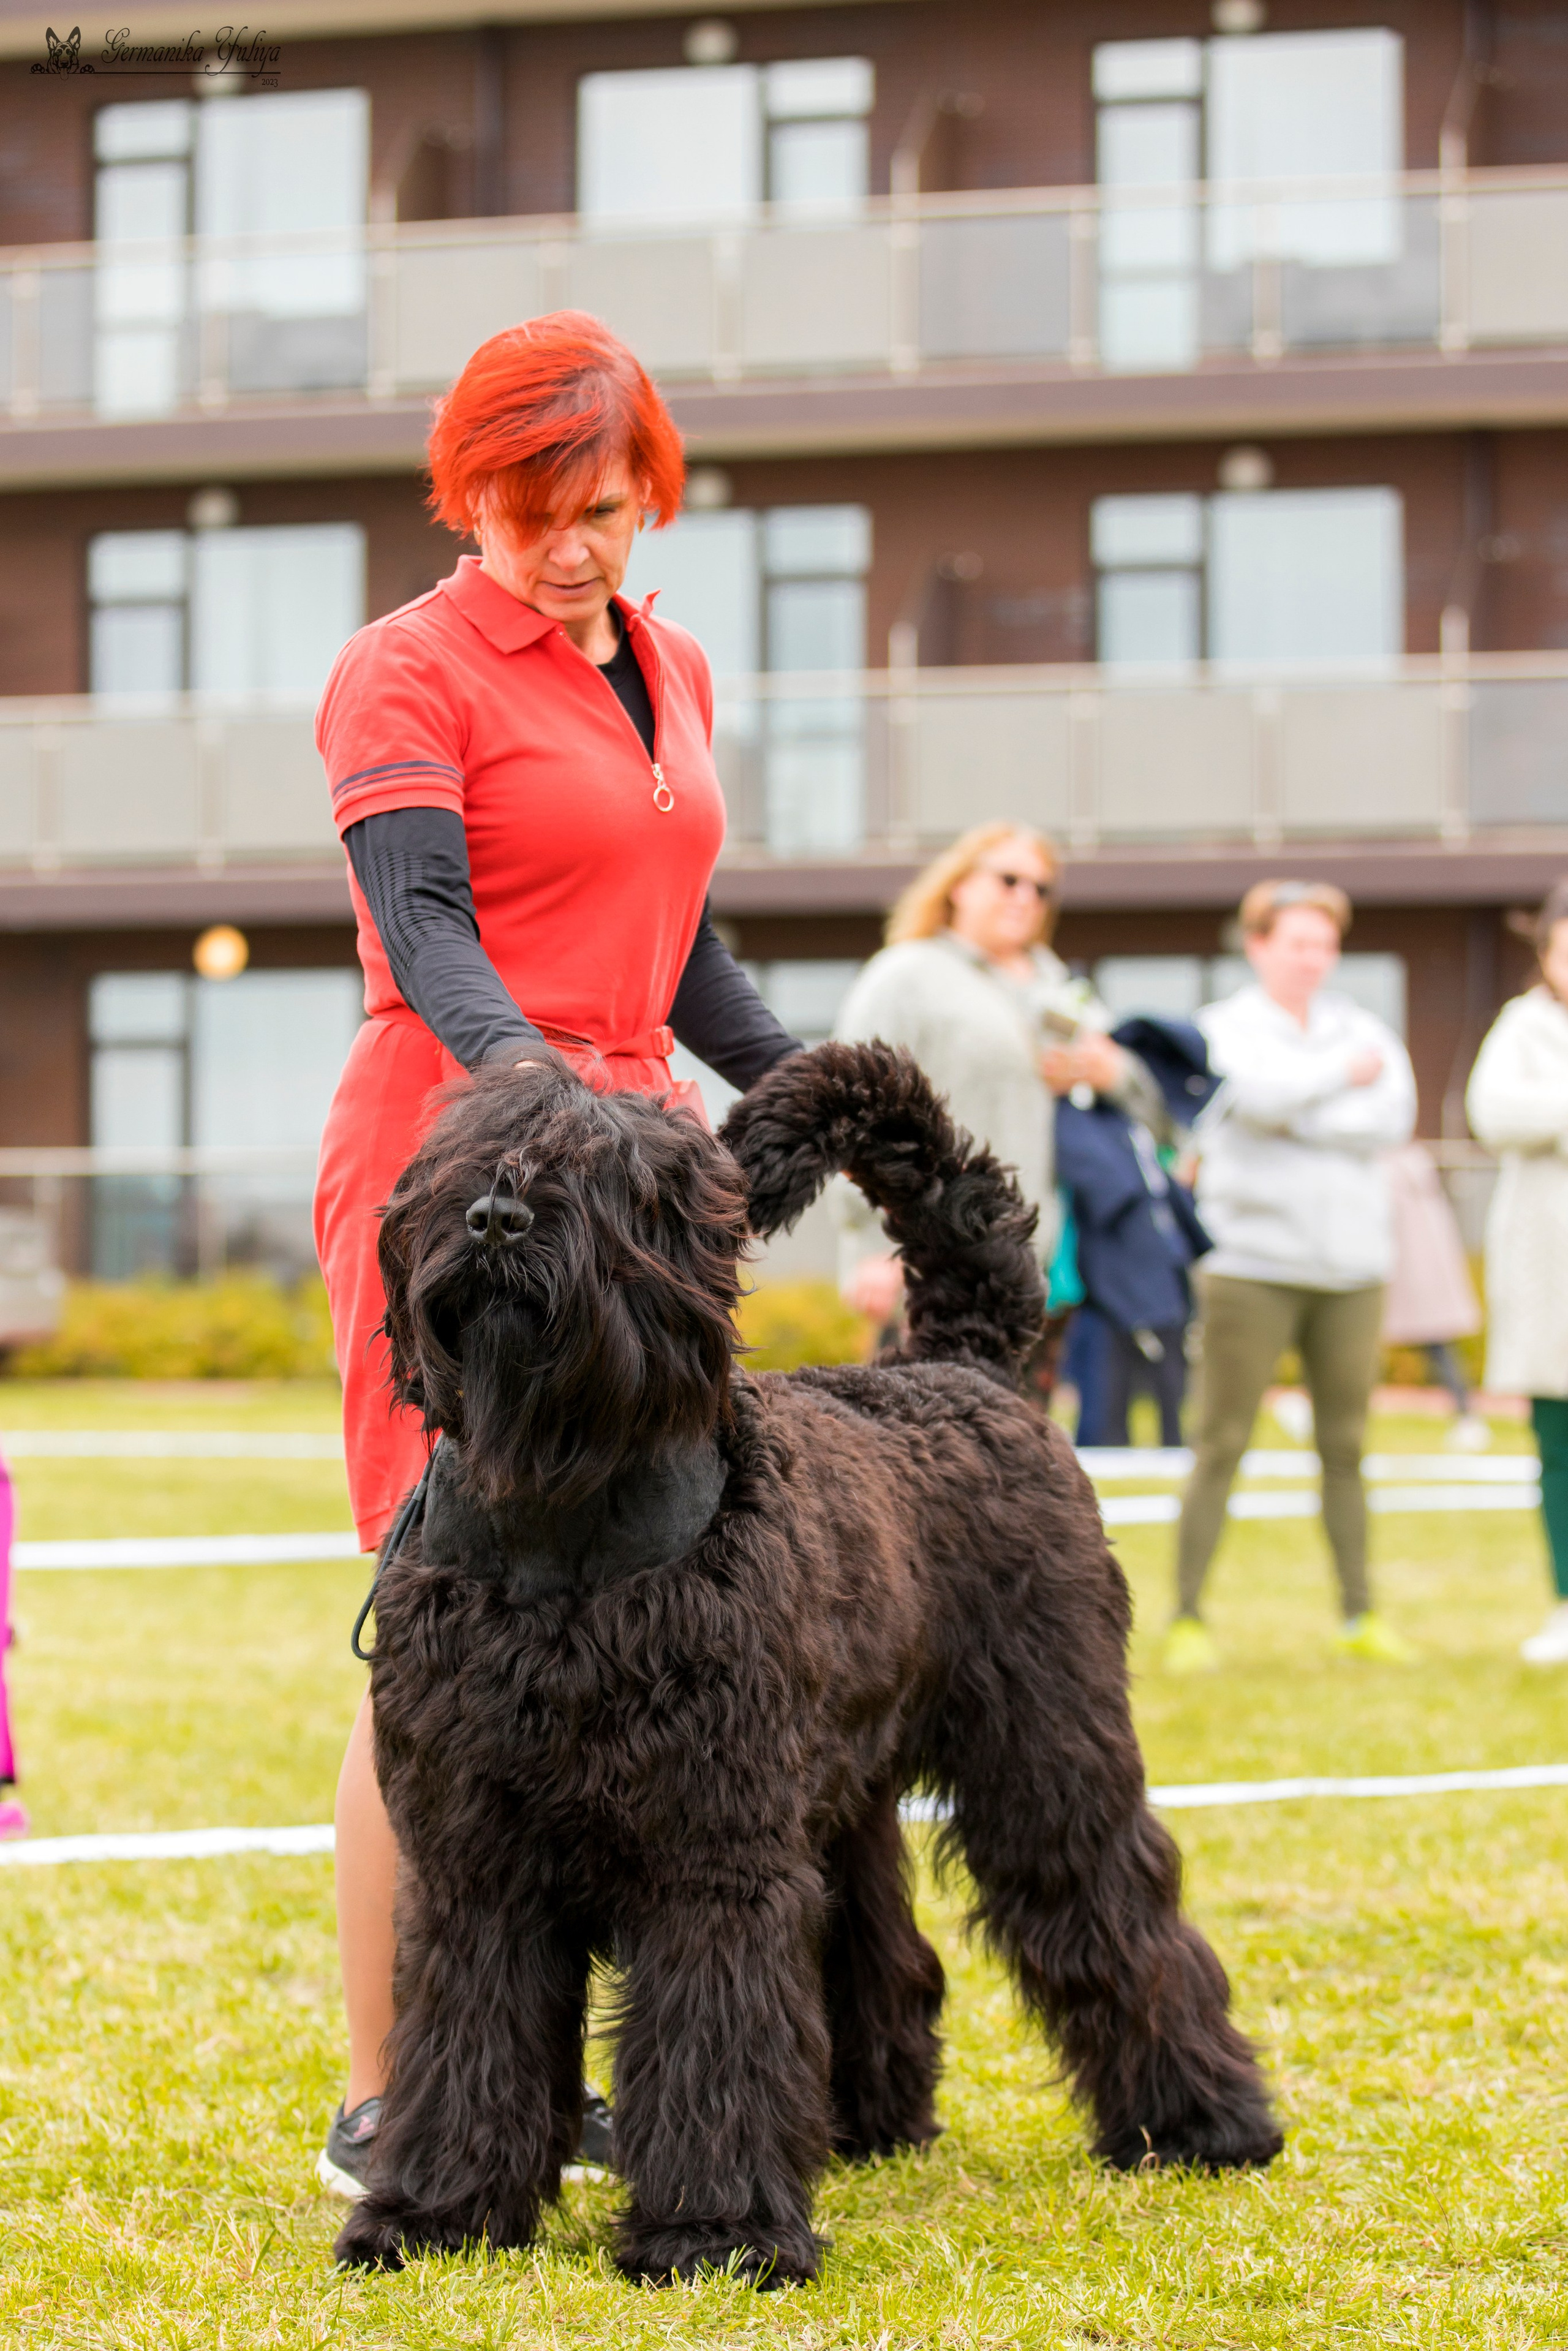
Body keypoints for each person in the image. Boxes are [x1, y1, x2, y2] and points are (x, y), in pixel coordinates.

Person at [311, 312, 801, 2197]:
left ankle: (561, 2082)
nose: (571, 546)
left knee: (649, 1603)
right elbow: (424, 920)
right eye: (530, 513)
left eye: (601, 506)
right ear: (469, 495)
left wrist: (810, 1086)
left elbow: (675, 945)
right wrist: (546, 1110)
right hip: (459, 1168)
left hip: (639, 1200)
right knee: (428, 1623)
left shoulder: (664, 661)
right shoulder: (403, 668)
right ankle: (396, 2097)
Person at [1164, 880, 1417, 1674]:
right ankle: (1188, 1615)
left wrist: (1301, 1105)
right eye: (1296, 941)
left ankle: (1359, 1611)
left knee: (1346, 1444)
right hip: (1251, 1268)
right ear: (1259, 944)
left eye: (1324, 942)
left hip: (1352, 1269)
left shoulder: (1364, 1027)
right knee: (1222, 1441)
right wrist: (1341, 1079)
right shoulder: (1224, 1028)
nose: (1313, 956)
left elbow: (1392, 1117)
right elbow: (1251, 1095)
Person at [828, 822, 1162, 1398]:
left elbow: (1148, 1100)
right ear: (958, 885)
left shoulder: (1060, 987)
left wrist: (1111, 1072)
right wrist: (866, 1247)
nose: (1025, 897)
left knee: (1021, 1455)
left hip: (1042, 1264)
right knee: (916, 1450)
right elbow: (852, 1107)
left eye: (1041, 888)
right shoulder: (907, 974)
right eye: (1008, 879)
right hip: (932, 1259)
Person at [1466, 878, 1568, 1664]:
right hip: (1551, 1274)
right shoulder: (1523, 1028)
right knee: (1559, 1443)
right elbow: (1494, 1111)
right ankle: (1565, 1600)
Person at [1381, 1141, 1487, 1449]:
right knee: (1438, 1347)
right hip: (1421, 1280)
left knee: (1349, 1343)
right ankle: (1467, 1415)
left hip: (1396, 1275)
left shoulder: (1386, 1169)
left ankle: (1466, 1416)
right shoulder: (1419, 1168)